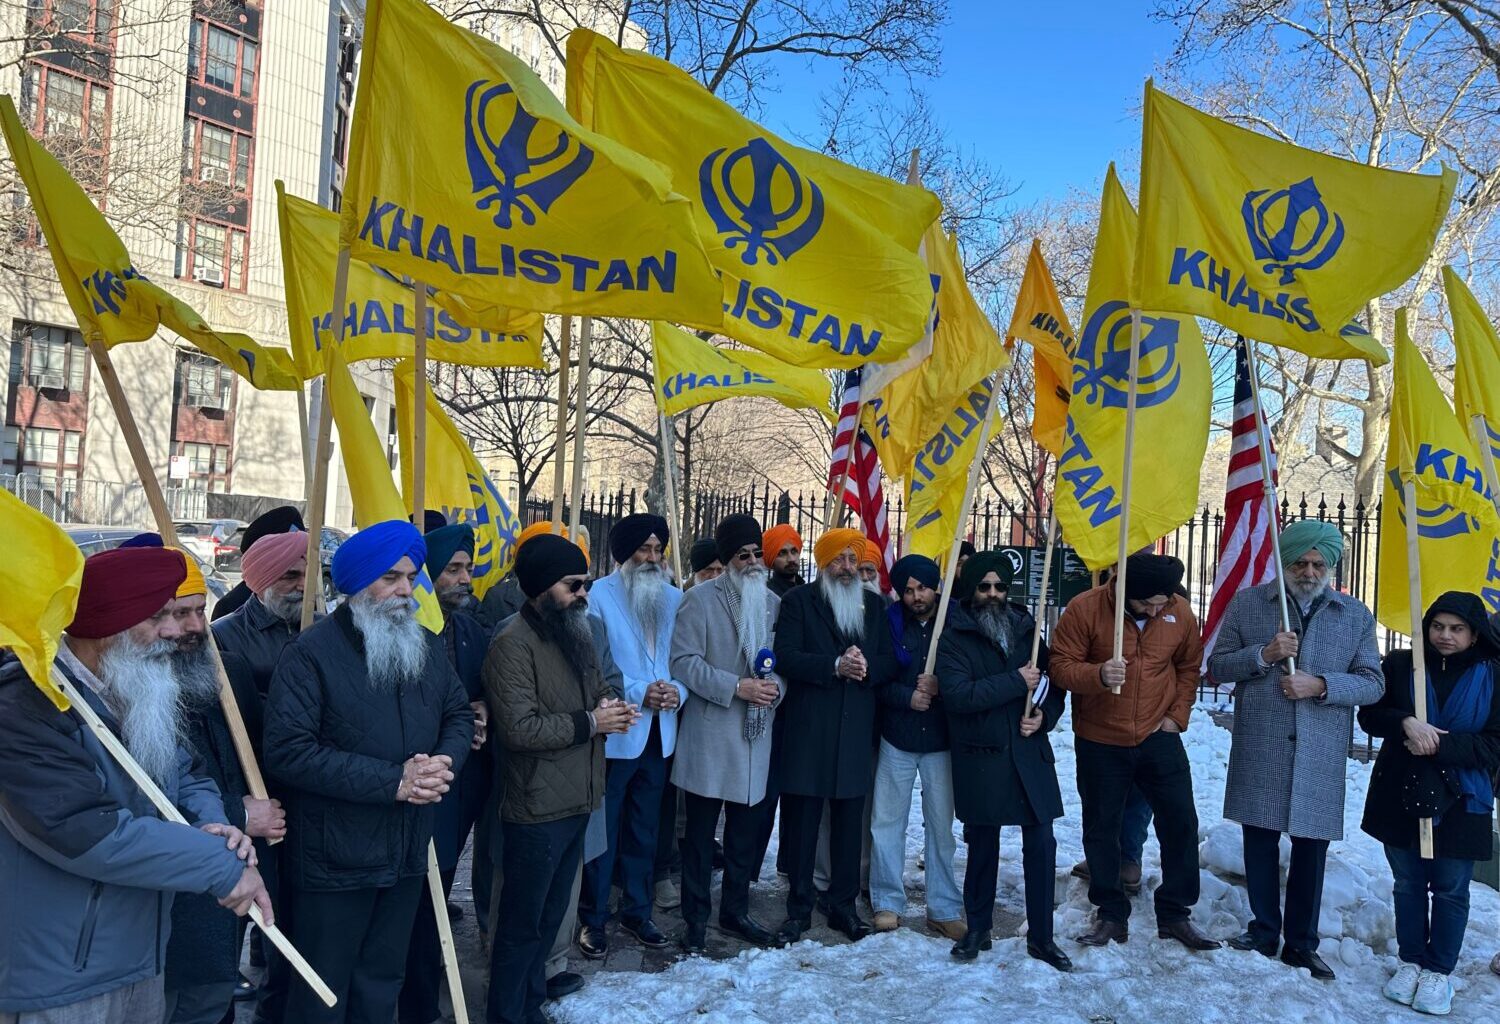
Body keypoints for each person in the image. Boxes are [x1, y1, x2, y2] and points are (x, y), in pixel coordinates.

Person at [0, 547, 269, 1022]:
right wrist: (220, 865)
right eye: (158, 616)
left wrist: (213, 825)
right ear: (106, 625)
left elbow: (187, 772)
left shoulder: (134, 684)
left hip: (143, 955)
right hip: (61, 975)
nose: (178, 630)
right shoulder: (25, 707)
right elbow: (86, 831)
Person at [264, 520, 474, 1024]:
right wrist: (395, 782)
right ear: (356, 584)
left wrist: (443, 762)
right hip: (335, 859)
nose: (405, 590)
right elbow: (289, 752)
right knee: (322, 992)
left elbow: (459, 715)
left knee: (381, 984)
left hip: (405, 852)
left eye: (410, 577)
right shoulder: (310, 655)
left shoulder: (425, 644)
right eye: (390, 578)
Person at [1211, 519, 1383, 980]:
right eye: (1300, 562)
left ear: (1330, 566)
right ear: (1286, 563)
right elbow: (1217, 665)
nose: (1309, 571)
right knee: (1260, 841)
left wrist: (1322, 684)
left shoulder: (1355, 615)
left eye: (1317, 563)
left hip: (1319, 750)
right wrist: (1262, 656)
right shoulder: (1250, 604)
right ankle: (1263, 930)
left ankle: (1302, 943)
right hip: (1263, 743)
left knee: (1311, 849)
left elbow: (1373, 683)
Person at [486, 534, 637, 1024]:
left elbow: (601, 687)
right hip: (535, 805)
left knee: (552, 918)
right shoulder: (510, 643)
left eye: (586, 584)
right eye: (574, 585)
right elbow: (519, 728)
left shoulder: (581, 629)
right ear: (541, 587)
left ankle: (531, 1004)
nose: (584, 594)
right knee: (521, 925)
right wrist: (593, 722)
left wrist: (614, 706)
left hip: (580, 795)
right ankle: (506, 1014)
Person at [1049, 552, 1219, 951]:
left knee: (1180, 821)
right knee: (1102, 825)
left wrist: (1177, 716)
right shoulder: (1085, 608)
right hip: (1100, 736)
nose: (1159, 608)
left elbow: (1188, 667)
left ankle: (1175, 912)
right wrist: (1097, 675)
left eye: (1164, 601)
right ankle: (1110, 912)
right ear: (1128, 593)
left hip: (1158, 733)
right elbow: (1060, 665)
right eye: (1148, 603)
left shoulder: (1178, 611)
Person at [1360, 592, 1499, 1016]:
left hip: (1462, 800)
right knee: (1407, 881)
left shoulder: (1493, 675)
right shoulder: (1403, 665)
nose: (1445, 636)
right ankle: (1410, 960)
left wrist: (1437, 743)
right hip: (1400, 791)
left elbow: (1494, 746)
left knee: (1451, 887)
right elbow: (1370, 715)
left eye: (1457, 629)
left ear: (1474, 633)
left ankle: (1438, 970)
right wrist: (1404, 721)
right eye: (1438, 626)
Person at [162, 555, 287, 1023]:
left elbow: (249, 760)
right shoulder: (128, 682)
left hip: (228, 871)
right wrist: (238, 814)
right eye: (179, 613)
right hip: (171, 883)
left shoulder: (227, 669)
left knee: (214, 1003)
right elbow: (149, 794)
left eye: (200, 610)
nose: (196, 626)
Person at [937, 551, 1072, 971]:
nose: (993, 594)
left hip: (1028, 752)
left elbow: (1053, 688)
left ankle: (1042, 937)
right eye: (984, 587)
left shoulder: (1028, 630)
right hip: (982, 753)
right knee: (983, 845)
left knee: (1041, 844)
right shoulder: (954, 634)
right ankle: (978, 928)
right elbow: (959, 696)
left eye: (999, 586)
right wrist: (1015, 682)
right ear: (971, 589)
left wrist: (1043, 716)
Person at [772, 527, 898, 946]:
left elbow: (887, 661)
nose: (847, 568)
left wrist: (864, 667)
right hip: (810, 730)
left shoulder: (873, 607)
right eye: (839, 560)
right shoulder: (798, 602)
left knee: (848, 825)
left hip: (855, 730)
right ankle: (799, 908)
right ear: (824, 563)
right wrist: (833, 665)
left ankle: (843, 905)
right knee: (805, 824)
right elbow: (787, 657)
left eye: (852, 560)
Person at [210, 526, 312, 1023]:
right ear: (263, 578)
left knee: (296, 922)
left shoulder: (321, 629)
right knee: (251, 914)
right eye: (291, 575)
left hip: (311, 799)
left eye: (310, 574)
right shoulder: (222, 638)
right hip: (256, 801)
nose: (303, 585)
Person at [670, 514, 785, 952]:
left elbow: (783, 665)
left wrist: (775, 690)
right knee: (700, 838)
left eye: (758, 554)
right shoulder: (698, 600)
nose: (754, 561)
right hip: (711, 735)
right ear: (727, 559)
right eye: (744, 555)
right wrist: (736, 686)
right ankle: (694, 920)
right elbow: (683, 662)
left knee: (745, 836)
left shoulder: (773, 603)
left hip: (756, 737)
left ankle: (735, 911)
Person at [577, 514, 685, 958]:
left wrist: (676, 690)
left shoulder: (675, 598)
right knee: (604, 828)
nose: (653, 558)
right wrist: (642, 691)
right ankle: (593, 917)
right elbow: (597, 663)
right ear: (624, 553)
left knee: (645, 829)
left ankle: (638, 911)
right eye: (644, 549)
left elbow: (682, 658)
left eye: (658, 550)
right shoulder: (598, 596)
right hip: (619, 730)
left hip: (661, 732)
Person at [399, 524, 494, 1024]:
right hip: (414, 785)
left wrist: (480, 713)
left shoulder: (470, 628)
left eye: (466, 568)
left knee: (438, 891)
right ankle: (414, 1003)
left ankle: (427, 980)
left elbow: (480, 692)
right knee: (413, 901)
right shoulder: (405, 630)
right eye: (452, 569)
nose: (464, 578)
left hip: (460, 785)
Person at [868, 554, 963, 940]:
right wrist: (907, 697)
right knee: (887, 823)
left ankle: (943, 908)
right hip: (899, 736)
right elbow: (875, 677)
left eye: (921, 588)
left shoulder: (956, 622)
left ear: (934, 587)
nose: (915, 596)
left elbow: (969, 672)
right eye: (907, 590)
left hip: (941, 740)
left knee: (941, 828)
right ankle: (888, 902)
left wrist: (943, 687)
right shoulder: (888, 624)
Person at [211, 505, 306, 621]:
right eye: (291, 576)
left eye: (307, 574)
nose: (304, 585)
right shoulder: (229, 610)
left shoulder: (309, 605)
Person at [763, 523, 804, 597]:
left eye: (794, 551)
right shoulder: (769, 596)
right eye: (782, 553)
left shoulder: (806, 590)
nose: (791, 559)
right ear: (771, 561)